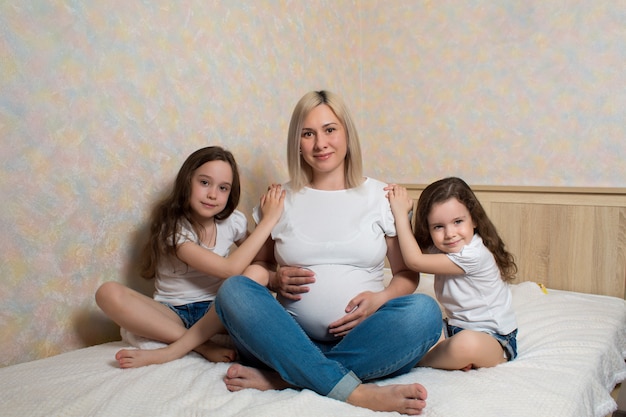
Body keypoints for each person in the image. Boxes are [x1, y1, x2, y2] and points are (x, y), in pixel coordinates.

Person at [212, 91, 443, 416]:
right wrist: (276, 279)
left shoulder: (381, 196)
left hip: (364, 339)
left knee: (424, 313)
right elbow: (260, 265)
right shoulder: (281, 197)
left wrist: (381, 298)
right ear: (298, 142)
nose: (320, 143)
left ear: (347, 133)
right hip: (287, 338)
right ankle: (355, 392)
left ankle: (287, 378)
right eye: (308, 133)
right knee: (232, 291)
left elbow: (407, 275)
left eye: (330, 130)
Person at [95, 146, 285, 368]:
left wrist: (268, 217)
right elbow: (229, 269)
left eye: (223, 188)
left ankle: (184, 344)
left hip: (215, 310)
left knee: (258, 277)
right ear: (187, 181)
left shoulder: (233, 222)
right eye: (204, 183)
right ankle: (201, 346)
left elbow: (266, 260)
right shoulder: (174, 228)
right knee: (107, 293)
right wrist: (268, 221)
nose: (213, 194)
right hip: (172, 311)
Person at [386, 177, 518, 371]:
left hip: (494, 338)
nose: (449, 234)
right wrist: (406, 212)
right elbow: (410, 249)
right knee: (408, 324)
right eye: (438, 226)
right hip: (453, 328)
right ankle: (447, 356)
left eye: (457, 222)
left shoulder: (474, 254)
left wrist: (399, 215)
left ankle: (419, 360)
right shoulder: (444, 247)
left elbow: (414, 261)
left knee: (464, 345)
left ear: (473, 219)